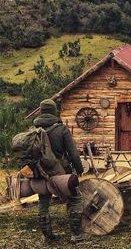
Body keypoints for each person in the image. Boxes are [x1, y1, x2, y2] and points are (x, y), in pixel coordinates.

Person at [33, 99, 85, 243]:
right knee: (75, 199)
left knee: (43, 202)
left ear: (41, 111)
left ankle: (47, 236)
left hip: (40, 174)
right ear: (54, 111)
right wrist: (79, 169)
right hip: (61, 172)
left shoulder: (33, 130)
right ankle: (76, 235)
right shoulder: (61, 129)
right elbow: (73, 154)